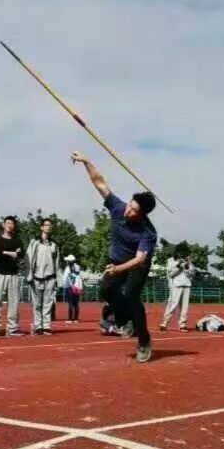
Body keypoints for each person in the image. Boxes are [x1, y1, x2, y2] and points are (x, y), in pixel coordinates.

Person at [71, 151, 157, 363]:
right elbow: (99, 182)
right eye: (129, 205)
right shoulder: (118, 208)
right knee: (106, 291)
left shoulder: (148, 233)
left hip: (136, 266)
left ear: (143, 214)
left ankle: (144, 341)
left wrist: (118, 269)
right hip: (117, 262)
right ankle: (124, 319)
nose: (128, 211)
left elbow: (138, 260)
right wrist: (87, 161)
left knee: (130, 296)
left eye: (134, 210)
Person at [0, 216, 25, 337]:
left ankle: (12, 328)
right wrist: (13, 253)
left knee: (14, 302)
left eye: (12, 223)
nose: (10, 225)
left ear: (14, 226)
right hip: (0, 273)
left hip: (13, 274)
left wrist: (7, 252)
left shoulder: (17, 240)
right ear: (3, 225)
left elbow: (21, 255)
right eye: (8, 223)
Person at [26, 218, 60, 335]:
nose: (48, 227)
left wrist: (57, 279)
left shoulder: (54, 245)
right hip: (36, 277)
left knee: (48, 303)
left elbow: (57, 263)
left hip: (50, 277)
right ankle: (37, 326)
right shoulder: (34, 243)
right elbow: (29, 259)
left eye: (50, 225)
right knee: (37, 304)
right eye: (46, 225)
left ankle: (46, 326)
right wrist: (29, 274)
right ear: (41, 227)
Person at [160, 244, 195, 332]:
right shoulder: (170, 260)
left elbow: (192, 274)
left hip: (186, 285)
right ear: (177, 252)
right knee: (172, 305)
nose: (182, 254)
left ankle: (182, 324)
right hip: (175, 285)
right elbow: (171, 274)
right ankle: (164, 323)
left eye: (184, 252)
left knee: (184, 307)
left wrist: (187, 267)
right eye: (180, 252)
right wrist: (179, 265)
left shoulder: (188, 260)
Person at [61, 255, 82, 323]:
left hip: (70, 287)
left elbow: (65, 278)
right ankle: (76, 318)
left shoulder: (68, 268)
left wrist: (64, 286)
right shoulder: (77, 267)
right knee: (76, 303)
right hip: (77, 287)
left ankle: (70, 319)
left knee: (70, 303)